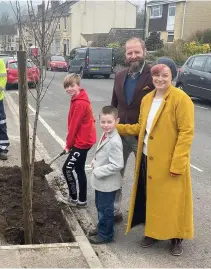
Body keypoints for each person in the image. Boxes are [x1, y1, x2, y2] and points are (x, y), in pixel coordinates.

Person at [116, 57, 195, 256]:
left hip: (170, 161)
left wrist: (178, 163)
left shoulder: (181, 99)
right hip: (147, 157)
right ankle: (153, 232)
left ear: (172, 77)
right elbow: (141, 127)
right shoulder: (147, 99)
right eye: (156, 75)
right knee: (151, 197)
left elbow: (186, 133)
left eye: (165, 75)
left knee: (173, 200)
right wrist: (116, 128)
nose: (160, 79)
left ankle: (176, 237)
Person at [111, 37, 155, 223]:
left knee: (147, 176)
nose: (133, 56)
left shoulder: (154, 74)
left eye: (137, 52)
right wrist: (110, 128)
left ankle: (148, 215)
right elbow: (114, 104)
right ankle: (114, 211)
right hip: (120, 134)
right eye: (129, 52)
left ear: (144, 52)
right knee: (115, 173)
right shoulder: (120, 75)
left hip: (142, 136)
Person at [87, 106, 124, 244]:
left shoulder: (114, 141)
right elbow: (101, 152)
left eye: (109, 122)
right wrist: (94, 161)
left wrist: (98, 171)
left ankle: (105, 235)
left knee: (105, 209)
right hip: (102, 182)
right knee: (100, 206)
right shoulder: (106, 134)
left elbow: (117, 164)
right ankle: (102, 227)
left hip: (107, 183)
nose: (106, 125)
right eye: (103, 122)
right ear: (99, 121)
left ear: (117, 121)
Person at [59, 73, 96, 207]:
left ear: (78, 85)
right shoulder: (78, 97)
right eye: (66, 86)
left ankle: (74, 198)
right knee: (79, 169)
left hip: (82, 142)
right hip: (83, 140)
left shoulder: (79, 103)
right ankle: (82, 200)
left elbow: (74, 126)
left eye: (72, 85)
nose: (69, 89)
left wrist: (68, 145)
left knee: (67, 169)